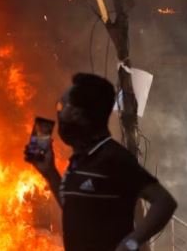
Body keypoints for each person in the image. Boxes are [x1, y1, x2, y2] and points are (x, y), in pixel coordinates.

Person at [29, 73, 177, 251]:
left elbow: (164, 202)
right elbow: (75, 212)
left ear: (79, 115)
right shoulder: (80, 160)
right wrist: (50, 173)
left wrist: (130, 243)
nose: (59, 113)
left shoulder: (113, 158)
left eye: (62, 106)